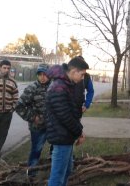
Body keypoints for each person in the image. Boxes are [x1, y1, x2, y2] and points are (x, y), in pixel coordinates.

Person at [46, 57, 88, 186]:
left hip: (66, 135)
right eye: (82, 75)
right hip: (61, 136)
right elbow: (65, 116)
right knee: (57, 176)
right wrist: (79, 131)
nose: (82, 78)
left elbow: (71, 112)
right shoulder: (59, 87)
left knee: (66, 170)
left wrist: (78, 131)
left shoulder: (66, 84)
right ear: (74, 71)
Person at [15, 63, 50, 178]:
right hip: (38, 128)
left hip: (52, 127)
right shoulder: (32, 88)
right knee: (36, 151)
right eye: (40, 74)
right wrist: (33, 117)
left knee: (55, 149)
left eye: (45, 74)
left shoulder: (53, 87)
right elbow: (19, 106)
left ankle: (54, 171)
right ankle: (31, 176)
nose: (42, 77)